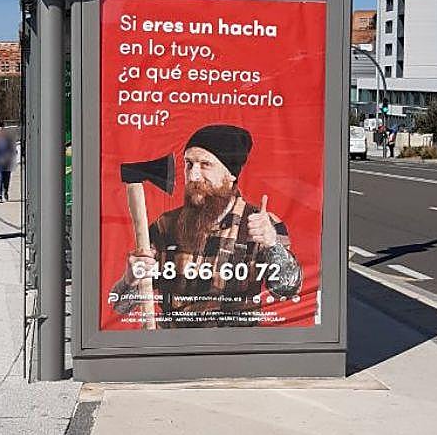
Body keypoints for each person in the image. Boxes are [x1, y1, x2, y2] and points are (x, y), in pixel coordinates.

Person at [108, 124, 302, 328]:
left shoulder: (262, 226)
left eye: (205, 164)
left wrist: (272, 245)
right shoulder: (166, 226)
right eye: (189, 164)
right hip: (173, 344)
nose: (193, 176)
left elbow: (287, 290)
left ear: (231, 174)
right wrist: (130, 279)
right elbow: (120, 306)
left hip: (234, 345)